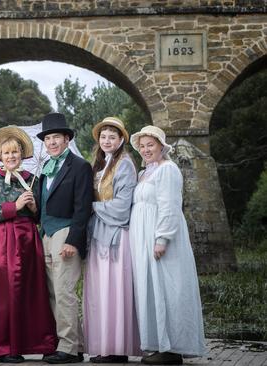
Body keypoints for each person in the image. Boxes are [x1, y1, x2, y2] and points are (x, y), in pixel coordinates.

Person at [0, 126, 58, 363]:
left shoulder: (31, 180)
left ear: (22, 155)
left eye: (15, 153)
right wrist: (15, 206)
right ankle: (4, 348)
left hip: (27, 242)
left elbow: (38, 215)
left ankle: (34, 342)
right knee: (3, 295)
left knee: (31, 292)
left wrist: (33, 209)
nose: (11, 157)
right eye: (6, 153)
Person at [128, 125, 206, 365]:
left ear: (162, 146)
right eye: (142, 146)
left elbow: (170, 206)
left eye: (150, 145)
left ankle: (172, 348)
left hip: (160, 238)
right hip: (142, 238)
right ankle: (158, 343)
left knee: (169, 288)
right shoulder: (145, 173)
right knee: (152, 289)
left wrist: (162, 239)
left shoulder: (168, 170)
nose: (146, 149)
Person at [35, 113, 93, 364]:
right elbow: (42, 204)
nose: (51, 142)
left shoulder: (79, 166)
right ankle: (75, 345)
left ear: (67, 139)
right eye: (47, 138)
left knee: (64, 291)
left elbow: (83, 207)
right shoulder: (45, 167)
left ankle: (68, 348)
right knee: (52, 292)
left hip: (66, 233)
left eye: (56, 137)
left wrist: (73, 239)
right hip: (46, 233)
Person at [83, 117, 141, 363]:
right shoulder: (99, 164)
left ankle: (118, 348)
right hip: (98, 233)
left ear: (121, 141)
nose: (107, 141)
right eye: (103, 137)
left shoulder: (125, 164)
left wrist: (92, 206)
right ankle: (105, 346)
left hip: (117, 234)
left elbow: (121, 207)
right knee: (100, 292)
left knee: (115, 291)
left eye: (112, 137)